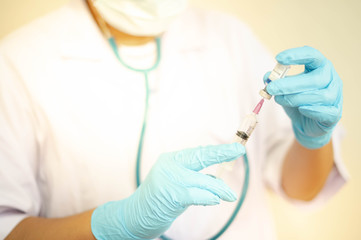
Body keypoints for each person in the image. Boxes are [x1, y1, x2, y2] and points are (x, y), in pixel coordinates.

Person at [0, 0, 348, 239]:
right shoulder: (19, 63)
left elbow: (300, 187)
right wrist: (110, 226)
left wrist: (314, 139)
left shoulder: (230, 38)